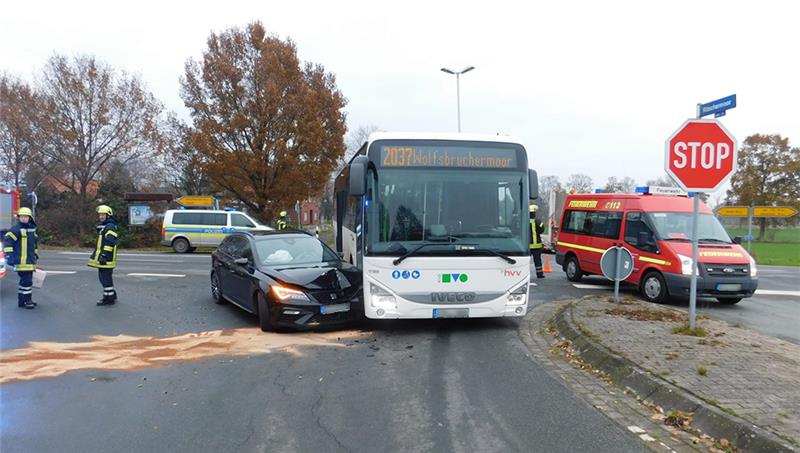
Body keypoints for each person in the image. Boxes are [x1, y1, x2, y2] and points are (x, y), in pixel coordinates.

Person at [3, 207, 39, 309]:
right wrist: (9, 255)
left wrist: (35, 255)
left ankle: (24, 301)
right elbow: (8, 241)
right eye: (22, 217)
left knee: (26, 282)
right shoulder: (16, 229)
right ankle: (26, 301)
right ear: (19, 218)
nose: (23, 219)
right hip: (21, 262)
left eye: (26, 217)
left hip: (29, 261)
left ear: (30, 218)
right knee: (26, 282)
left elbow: (34, 245)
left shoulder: (32, 229)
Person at [88, 205, 119, 306]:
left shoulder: (109, 226)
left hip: (106, 258)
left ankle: (108, 299)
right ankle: (111, 295)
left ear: (108, 215)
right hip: (105, 258)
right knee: (106, 278)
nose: (101, 216)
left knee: (104, 278)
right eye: (100, 215)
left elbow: (110, 242)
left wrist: (104, 255)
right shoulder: (106, 226)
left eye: (103, 214)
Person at [529, 204, 545, 280]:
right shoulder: (538, 221)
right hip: (537, 245)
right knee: (537, 260)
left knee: (526, 261)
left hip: (526, 246)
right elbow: (542, 230)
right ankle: (539, 274)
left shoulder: (523, 221)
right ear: (534, 214)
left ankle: (524, 273)